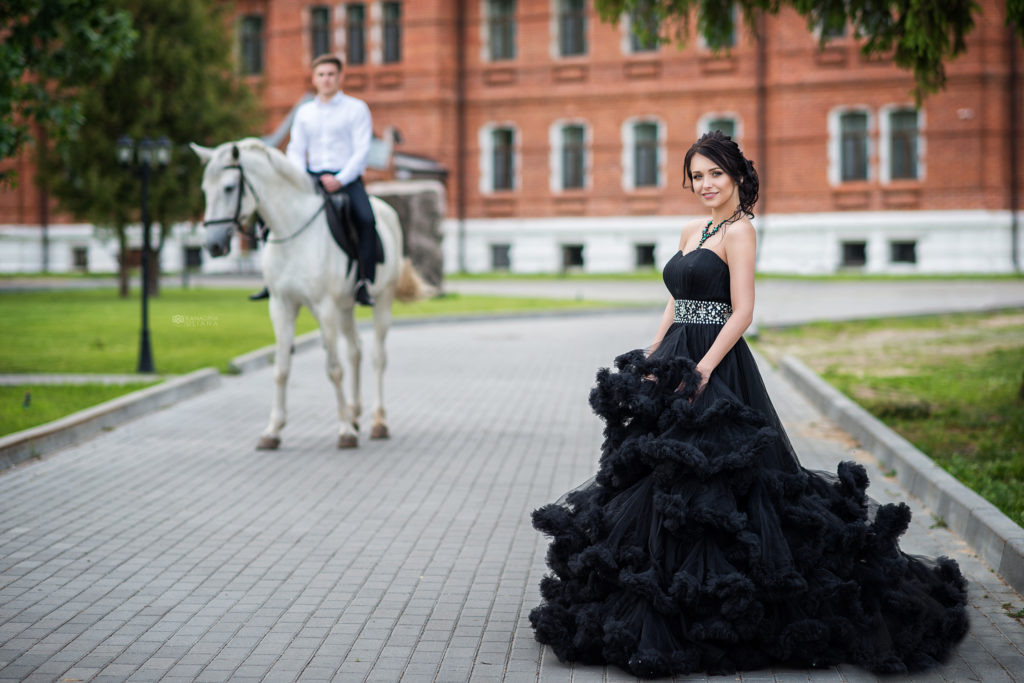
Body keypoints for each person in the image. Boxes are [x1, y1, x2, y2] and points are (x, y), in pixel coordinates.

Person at [529, 131, 968, 678]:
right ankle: (661, 591)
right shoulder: (693, 228)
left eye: (715, 173)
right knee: (659, 477)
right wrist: (654, 351)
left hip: (718, 364)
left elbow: (742, 312)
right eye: (697, 176)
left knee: (724, 480)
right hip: (676, 358)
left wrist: (705, 367)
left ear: (736, 176)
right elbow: (677, 299)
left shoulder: (741, 233)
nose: (705, 184)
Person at [250, 54, 376, 305]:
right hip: (311, 179)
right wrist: (301, 177)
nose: (326, 79)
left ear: (340, 77)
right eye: (321, 75)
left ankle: (363, 281)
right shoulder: (304, 113)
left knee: (366, 220)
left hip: (345, 179)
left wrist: (340, 179)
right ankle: (270, 279)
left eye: (330, 74)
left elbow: (362, 150)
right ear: (314, 79)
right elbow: (296, 149)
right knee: (269, 217)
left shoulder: (356, 108)